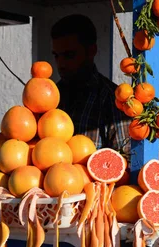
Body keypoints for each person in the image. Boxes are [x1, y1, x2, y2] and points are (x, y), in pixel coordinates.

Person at [51, 14, 130, 155]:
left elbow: (126, 159)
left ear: (91, 51)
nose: (60, 64)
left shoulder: (112, 100)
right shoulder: (50, 97)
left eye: (69, 55)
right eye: (57, 56)